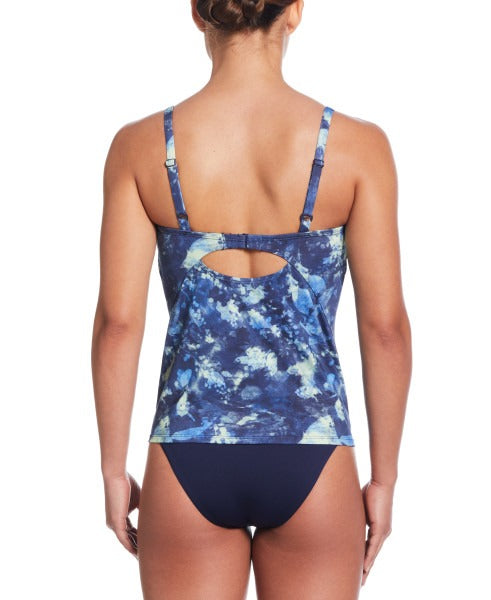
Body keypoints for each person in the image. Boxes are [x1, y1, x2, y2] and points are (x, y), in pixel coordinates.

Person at [91, 0, 412, 598]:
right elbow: (385, 327)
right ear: (295, 12)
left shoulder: (139, 147)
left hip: (187, 451)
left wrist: (112, 469)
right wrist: (384, 479)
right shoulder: (358, 147)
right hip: (313, 452)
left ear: (197, 12)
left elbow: (118, 323)